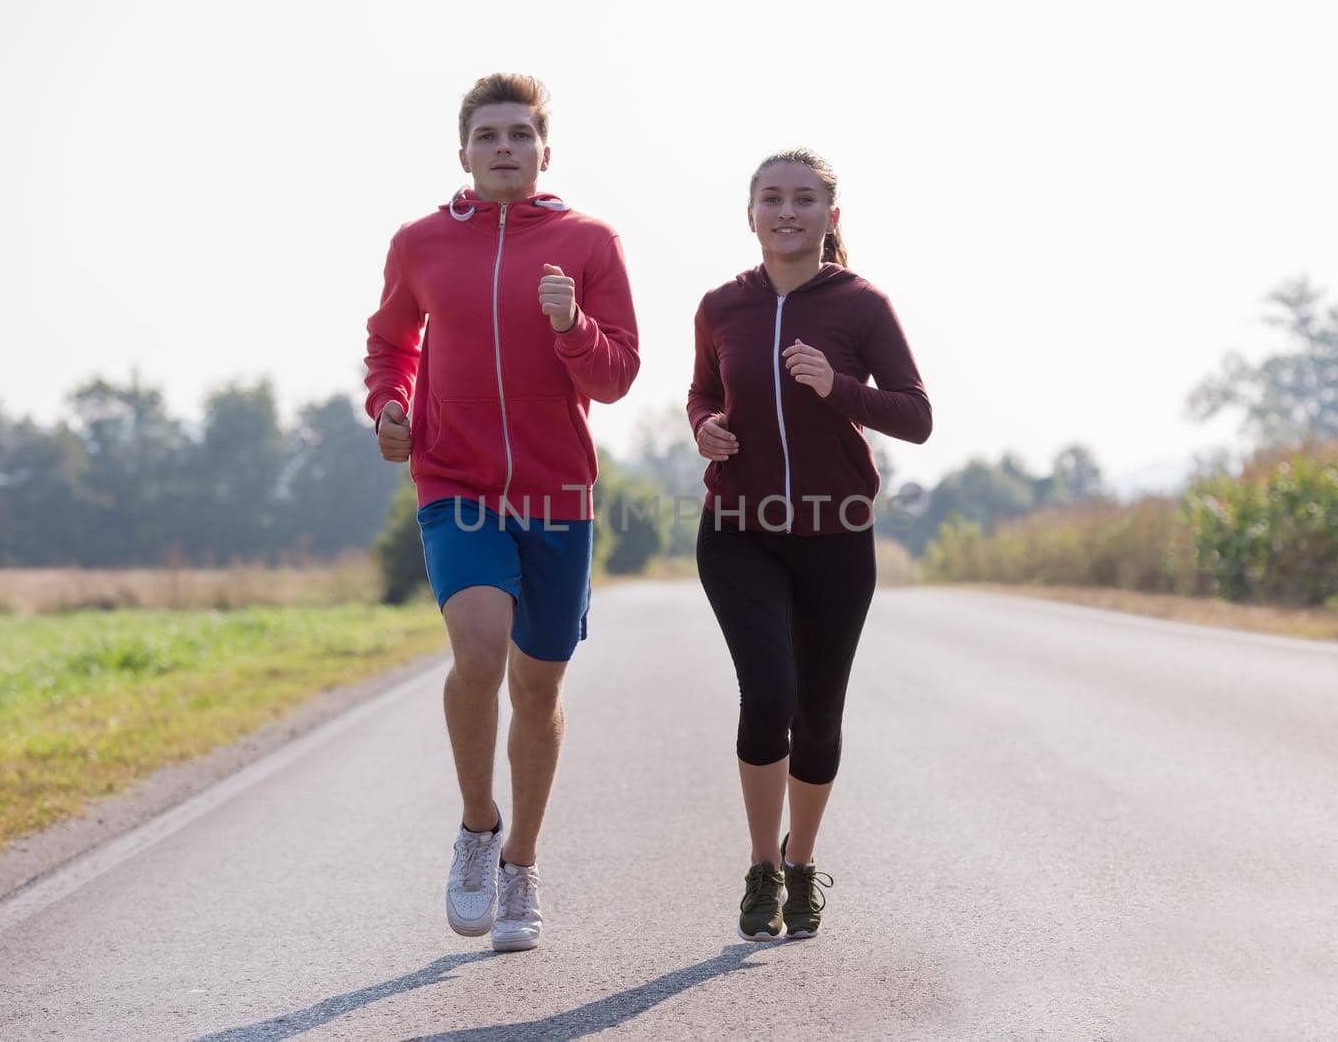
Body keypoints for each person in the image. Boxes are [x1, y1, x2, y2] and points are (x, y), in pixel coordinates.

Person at [364, 73, 640, 952]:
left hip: (559, 491)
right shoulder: (418, 244)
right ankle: (477, 830)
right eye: (488, 136)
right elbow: (391, 344)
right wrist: (389, 406)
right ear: (464, 153)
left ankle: (522, 862)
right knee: (479, 653)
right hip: (457, 481)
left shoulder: (589, 243)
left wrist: (571, 327)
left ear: (544, 151)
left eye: (520, 134)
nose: (505, 148)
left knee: (539, 683)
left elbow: (617, 375)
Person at [687, 149, 932, 940]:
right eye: (771, 199)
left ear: (832, 216)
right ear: (750, 214)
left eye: (803, 199)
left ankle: (802, 864)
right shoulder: (722, 306)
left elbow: (917, 416)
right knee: (768, 693)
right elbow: (702, 392)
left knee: (818, 716)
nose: (786, 211)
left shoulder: (860, 306)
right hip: (739, 530)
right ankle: (761, 865)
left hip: (836, 535)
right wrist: (706, 429)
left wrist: (840, 388)